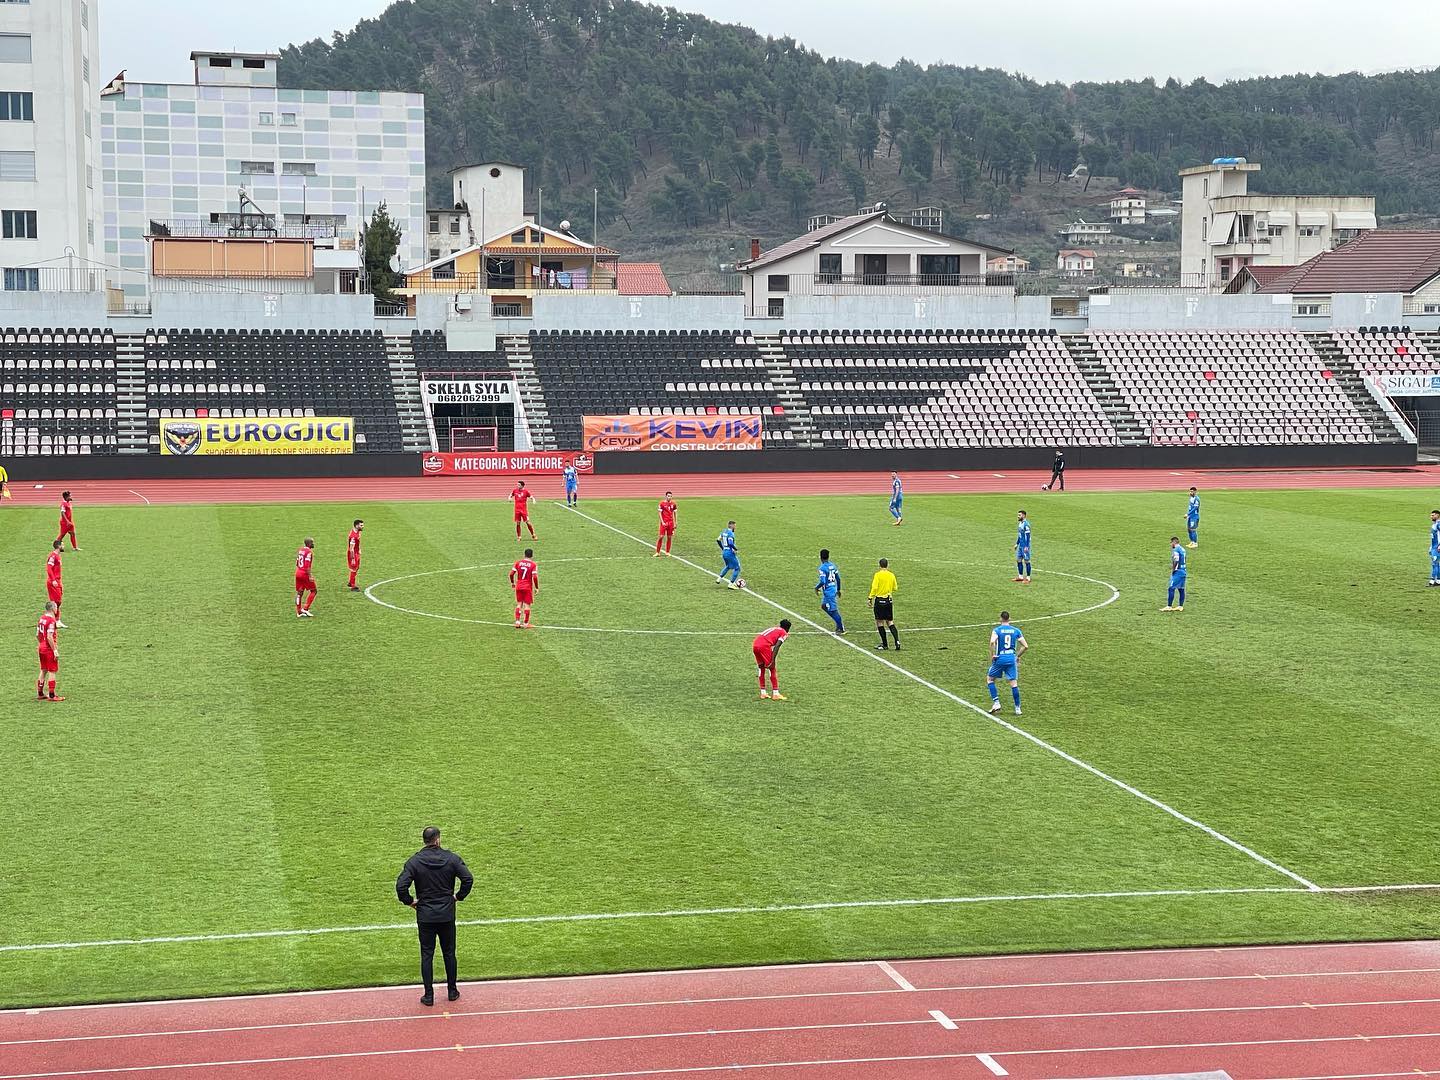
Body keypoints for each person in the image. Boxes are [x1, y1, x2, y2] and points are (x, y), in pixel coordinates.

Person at [396, 826, 473, 1008]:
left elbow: (401, 886)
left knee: (427, 955)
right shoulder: (451, 858)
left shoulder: (414, 862)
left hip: (425, 915)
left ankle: (429, 995)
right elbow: (468, 879)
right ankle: (452, 991)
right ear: (438, 840)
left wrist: (410, 902)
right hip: (446, 914)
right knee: (449, 953)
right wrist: (457, 897)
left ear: (425, 840)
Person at [987, 611, 1028, 716]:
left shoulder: (996, 630)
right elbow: (1025, 646)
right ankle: (1018, 708)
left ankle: (996, 703)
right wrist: (1017, 656)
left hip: (1000, 658)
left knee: (990, 679)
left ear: (1000, 619)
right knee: (1013, 683)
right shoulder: (1016, 630)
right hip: (1011, 658)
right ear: (1010, 619)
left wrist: (992, 655)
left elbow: (992, 642)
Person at [752, 619, 792, 700]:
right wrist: (772, 660)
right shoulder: (784, 633)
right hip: (764, 646)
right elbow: (777, 646)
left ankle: (763, 693)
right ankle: (776, 693)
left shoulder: (774, 628)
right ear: (788, 628)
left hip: (755, 645)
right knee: (772, 668)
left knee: (761, 667)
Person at [868, 557, 900, 651]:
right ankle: (897, 641)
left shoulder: (877, 575)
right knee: (890, 621)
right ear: (887, 565)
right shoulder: (891, 575)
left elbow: (874, 587)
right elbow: (895, 588)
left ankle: (885, 644)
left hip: (879, 600)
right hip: (889, 600)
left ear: (879, 565)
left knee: (879, 622)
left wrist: (870, 597)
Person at [36, 600, 62, 702]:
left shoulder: (41, 619)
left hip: (41, 647)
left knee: (43, 670)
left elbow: (37, 634)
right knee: (52, 670)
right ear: (52, 609)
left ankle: (40, 693)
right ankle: (52, 695)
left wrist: (42, 643)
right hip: (48, 649)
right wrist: (54, 650)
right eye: (56, 607)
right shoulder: (51, 621)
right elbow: (49, 636)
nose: (57, 609)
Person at [815, 549, 844, 634]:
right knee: (824, 606)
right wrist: (838, 589)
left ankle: (841, 628)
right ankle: (838, 624)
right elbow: (838, 579)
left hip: (829, 592)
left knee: (833, 610)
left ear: (820, 557)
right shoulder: (833, 566)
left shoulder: (822, 568)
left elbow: (823, 581)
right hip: (832, 589)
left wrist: (816, 588)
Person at [510, 548, 539, 628]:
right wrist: (536, 587)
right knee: (527, 605)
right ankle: (526, 624)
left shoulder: (518, 563)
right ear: (532, 555)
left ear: (524, 554)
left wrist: (512, 583)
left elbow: (511, 574)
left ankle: (517, 622)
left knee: (519, 604)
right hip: (527, 587)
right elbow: (535, 577)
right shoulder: (533, 565)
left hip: (518, 586)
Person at [45, 540, 67, 628]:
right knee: (56, 601)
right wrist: (53, 580)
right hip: (53, 582)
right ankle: (55, 620)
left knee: (58, 601)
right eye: (63, 545)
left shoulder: (57, 556)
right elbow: (49, 568)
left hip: (58, 581)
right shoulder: (53, 556)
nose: (64, 547)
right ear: (58, 546)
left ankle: (56, 620)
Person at [1162, 535, 1187, 612]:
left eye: (1171, 543)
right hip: (1183, 571)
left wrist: (1173, 569)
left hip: (1178, 572)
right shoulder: (1183, 549)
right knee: (1181, 589)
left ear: (1174, 542)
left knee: (1171, 588)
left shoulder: (1176, 550)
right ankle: (1180, 606)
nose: (1170, 545)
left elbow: (1176, 560)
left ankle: (1169, 606)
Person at [295, 537, 317, 618]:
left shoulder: (300, 550)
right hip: (304, 573)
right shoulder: (309, 552)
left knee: (299, 593)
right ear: (309, 544)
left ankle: (299, 611)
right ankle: (305, 608)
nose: (313, 544)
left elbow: (297, 563)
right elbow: (307, 565)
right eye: (312, 543)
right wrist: (310, 575)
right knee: (314, 591)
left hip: (298, 572)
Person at [715, 519, 741, 588]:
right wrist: (735, 549)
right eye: (734, 526)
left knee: (728, 566)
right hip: (730, 553)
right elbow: (730, 543)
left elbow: (718, 540)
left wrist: (723, 548)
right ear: (731, 525)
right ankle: (731, 583)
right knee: (737, 568)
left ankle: (719, 579)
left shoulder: (724, 532)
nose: (735, 527)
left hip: (724, 552)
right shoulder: (730, 533)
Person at [655, 491, 678, 557]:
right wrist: (662, 522)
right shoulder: (662, 504)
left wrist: (676, 522)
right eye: (668, 496)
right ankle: (657, 552)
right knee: (661, 537)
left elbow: (675, 513)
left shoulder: (673, 504)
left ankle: (667, 552)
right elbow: (659, 513)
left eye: (670, 496)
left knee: (669, 537)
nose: (669, 497)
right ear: (666, 496)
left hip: (671, 523)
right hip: (664, 523)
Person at [1014, 510, 1032, 583]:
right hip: (1020, 545)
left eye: (1019, 515)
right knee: (1018, 560)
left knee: (1027, 561)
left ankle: (1028, 578)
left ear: (1024, 516)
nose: (1018, 516)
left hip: (1025, 546)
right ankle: (1020, 576)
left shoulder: (1026, 525)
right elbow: (1020, 535)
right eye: (1018, 515)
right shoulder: (1020, 524)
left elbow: (1028, 536)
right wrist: (1017, 544)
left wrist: (1026, 546)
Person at [346, 519, 364, 592]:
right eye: (361, 525)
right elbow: (351, 548)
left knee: (356, 568)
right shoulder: (353, 536)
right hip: (353, 553)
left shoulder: (358, 531)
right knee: (354, 568)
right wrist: (353, 558)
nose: (363, 526)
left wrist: (359, 549)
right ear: (356, 525)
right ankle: (353, 586)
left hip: (356, 552)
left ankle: (350, 582)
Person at [1429, 509, 1439, 587]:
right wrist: (1430, 547)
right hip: (1433, 547)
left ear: (1437, 515)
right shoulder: (1434, 524)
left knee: (1434, 563)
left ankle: (1432, 581)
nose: (1431, 517)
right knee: (1436, 564)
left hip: (1437, 548)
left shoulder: (1439, 524)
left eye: (1433, 515)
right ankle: (1438, 580)